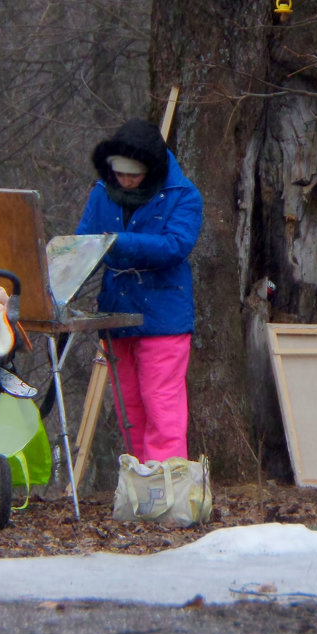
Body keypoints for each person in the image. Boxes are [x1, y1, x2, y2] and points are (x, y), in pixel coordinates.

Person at [76, 118, 203, 463]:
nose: (125, 180)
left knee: (161, 403)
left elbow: (175, 245)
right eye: (120, 173)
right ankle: (140, 481)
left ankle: (166, 486)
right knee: (128, 406)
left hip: (164, 314)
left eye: (133, 174)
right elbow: (83, 242)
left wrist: (117, 242)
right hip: (117, 309)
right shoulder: (102, 191)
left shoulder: (183, 196)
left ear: (152, 168)